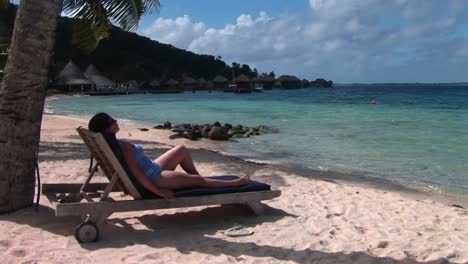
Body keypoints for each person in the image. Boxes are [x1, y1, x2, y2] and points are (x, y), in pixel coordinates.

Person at [88, 112, 249, 199]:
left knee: (181, 149)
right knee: (199, 180)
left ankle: (200, 184)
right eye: (113, 121)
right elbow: (137, 173)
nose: (116, 122)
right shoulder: (122, 148)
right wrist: (157, 191)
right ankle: (235, 183)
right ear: (107, 128)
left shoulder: (113, 144)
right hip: (155, 177)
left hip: (153, 167)